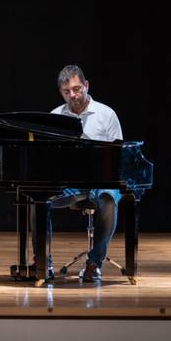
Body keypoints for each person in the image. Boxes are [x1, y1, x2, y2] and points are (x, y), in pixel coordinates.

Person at [49, 64, 123, 282]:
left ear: (86, 85)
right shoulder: (54, 117)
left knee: (108, 198)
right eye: (66, 91)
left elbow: (119, 157)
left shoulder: (106, 114)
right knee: (36, 199)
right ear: (61, 92)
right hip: (69, 183)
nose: (73, 95)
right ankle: (43, 260)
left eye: (77, 89)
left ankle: (94, 262)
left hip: (101, 181)